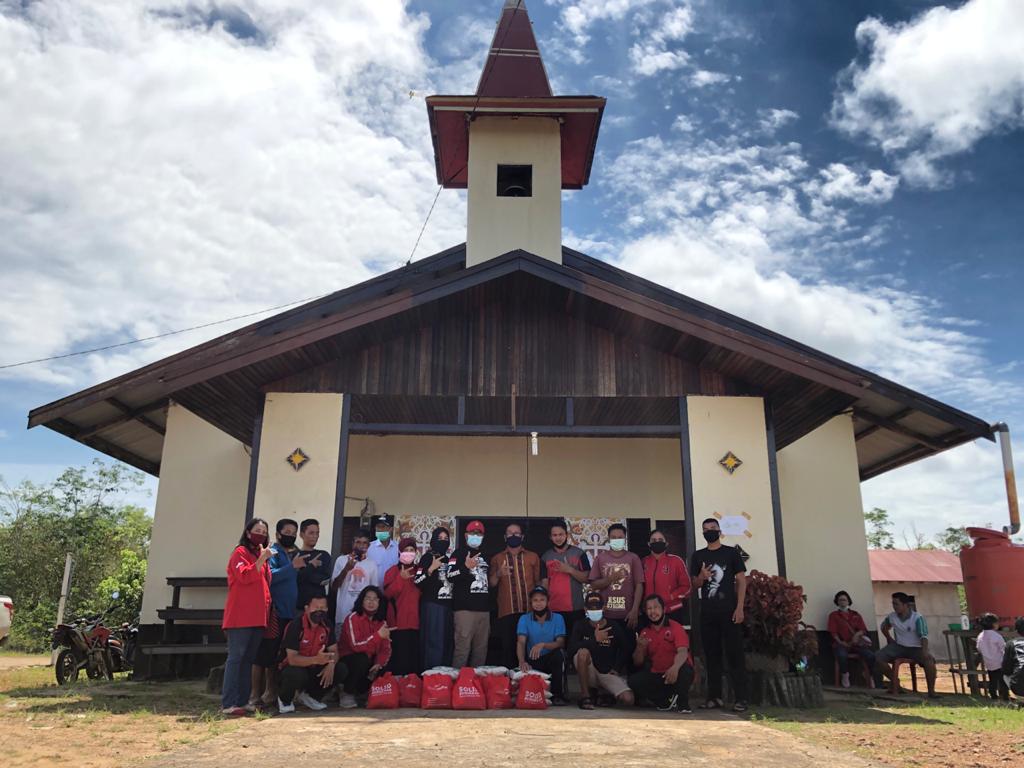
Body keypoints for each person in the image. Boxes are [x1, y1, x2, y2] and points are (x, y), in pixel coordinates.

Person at [690, 517, 748, 712]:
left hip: (729, 612)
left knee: (735, 655)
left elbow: (741, 580)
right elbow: (694, 585)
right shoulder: (698, 556)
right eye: (705, 529)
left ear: (720, 530)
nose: (709, 532)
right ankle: (714, 697)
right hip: (707, 613)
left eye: (712, 528)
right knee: (711, 657)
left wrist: (740, 607)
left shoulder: (731, 553)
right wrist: (702, 577)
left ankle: (741, 698)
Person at [221, 517, 273, 716]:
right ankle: (229, 702)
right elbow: (244, 576)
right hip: (240, 617)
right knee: (236, 659)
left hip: (259, 617)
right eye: (257, 530)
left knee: (248, 660)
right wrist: (262, 559)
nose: (261, 534)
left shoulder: (261, 555)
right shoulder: (240, 553)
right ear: (248, 532)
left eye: (264, 531)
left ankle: (242, 701)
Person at [251, 518, 300, 708]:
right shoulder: (272, 551)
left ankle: (271, 691)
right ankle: (255, 694)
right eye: (287, 531)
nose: (291, 535)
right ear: (279, 534)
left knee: (277, 654)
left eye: (294, 532)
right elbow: (270, 576)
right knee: (264, 654)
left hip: (289, 611)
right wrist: (292, 567)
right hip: (274, 611)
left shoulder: (292, 553)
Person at [628, 595, 695, 714]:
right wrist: (640, 647)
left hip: (677, 670)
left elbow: (683, 652)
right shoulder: (645, 632)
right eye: (649, 608)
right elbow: (638, 662)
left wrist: (675, 668)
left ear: (663, 609)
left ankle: (683, 703)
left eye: (656, 607)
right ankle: (664, 700)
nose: (653, 611)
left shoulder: (675, 627)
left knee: (685, 670)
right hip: (659, 674)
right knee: (634, 681)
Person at [569, 592, 635, 710]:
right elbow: (571, 649)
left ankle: (604, 694)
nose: (594, 610)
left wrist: (617, 668)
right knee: (582, 653)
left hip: (606, 673)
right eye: (591, 608)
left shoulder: (613, 626)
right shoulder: (580, 625)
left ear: (603, 608)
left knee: (628, 699)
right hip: (590, 672)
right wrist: (594, 640)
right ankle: (585, 696)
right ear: (586, 610)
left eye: (597, 607)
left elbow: (626, 648)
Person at [277, 593, 341, 714]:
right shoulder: (296, 625)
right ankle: (285, 699)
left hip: (314, 667)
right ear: (307, 608)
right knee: (294, 673)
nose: (319, 611)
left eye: (322, 608)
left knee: (340, 669)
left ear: (327, 609)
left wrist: (331, 664)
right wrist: (316, 659)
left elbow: (334, 651)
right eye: (316, 607)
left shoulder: (327, 625)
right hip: (292, 668)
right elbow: (292, 659)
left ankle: (310, 696)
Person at [490, 522, 541, 668]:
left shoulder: (533, 557)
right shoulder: (497, 558)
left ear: (522, 536)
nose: (513, 535)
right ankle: (509, 685)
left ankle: (529, 684)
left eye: (516, 533)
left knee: (530, 649)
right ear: (505, 537)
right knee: (508, 649)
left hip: (529, 612)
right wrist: (499, 573)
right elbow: (491, 584)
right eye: (510, 533)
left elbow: (539, 584)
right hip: (507, 612)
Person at [337, 585, 392, 708]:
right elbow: (356, 646)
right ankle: (347, 692)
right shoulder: (353, 618)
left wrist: (379, 663)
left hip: (369, 661)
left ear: (379, 602)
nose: (371, 602)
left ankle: (366, 693)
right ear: (361, 600)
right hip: (350, 660)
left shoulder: (382, 623)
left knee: (383, 665)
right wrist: (378, 635)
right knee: (361, 659)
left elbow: (385, 649)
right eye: (368, 598)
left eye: (375, 599)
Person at [875, 592, 938, 697]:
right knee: (878, 657)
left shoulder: (917, 618)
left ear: (905, 605)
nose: (894, 607)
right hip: (899, 646)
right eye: (893, 604)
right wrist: (889, 638)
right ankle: (895, 682)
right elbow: (884, 627)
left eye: (896, 604)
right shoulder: (892, 617)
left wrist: (925, 651)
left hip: (916, 648)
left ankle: (931, 691)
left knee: (929, 661)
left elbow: (923, 636)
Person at [448, 520, 491, 668]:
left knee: (481, 651)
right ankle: (458, 685)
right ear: (466, 535)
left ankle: (475, 686)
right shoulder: (458, 553)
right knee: (462, 650)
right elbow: (450, 575)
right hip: (464, 610)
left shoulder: (486, 555)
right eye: (473, 533)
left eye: (479, 533)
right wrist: (465, 567)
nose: (476, 536)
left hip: (484, 611)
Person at [540, 520, 591, 641]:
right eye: (555, 535)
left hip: (576, 609)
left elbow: (587, 578)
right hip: (554, 610)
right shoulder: (545, 557)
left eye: (561, 534)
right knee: (556, 644)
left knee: (575, 644)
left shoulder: (579, 553)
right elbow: (544, 583)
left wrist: (570, 570)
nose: (558, 538)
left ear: (566, 535)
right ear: (550, 537)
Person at [516, 585, 567, 704]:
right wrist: (522, 661)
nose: (538, 603)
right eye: (535, 600)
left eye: (542, 600)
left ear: (548, 601)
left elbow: (560, 642)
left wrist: (543, 645)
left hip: (550, 658)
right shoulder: (524, 618)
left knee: (559, 655)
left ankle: (558, 695)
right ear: (531, 602)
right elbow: (521, 641)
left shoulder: (558, 618)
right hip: (533, 659)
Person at [588, 524, 644, 629]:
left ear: (625, 539)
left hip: (629, 615)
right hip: (606, 615)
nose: (616, 540)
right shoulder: (600, 558)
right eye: (613, 537)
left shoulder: (633, 558)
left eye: (620, 537)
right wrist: (611, 579)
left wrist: (635, 610)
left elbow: (639, 585)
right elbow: (593, 585)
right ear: (609, 539)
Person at [415, 526, 455, 670]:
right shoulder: (427, 557)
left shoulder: (449, 560)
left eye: (446, 539)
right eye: (440, 538)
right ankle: (431, 677)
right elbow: (417, 581)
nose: (443, 541)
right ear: (433, 540)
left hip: (448, 607)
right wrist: (431, 569)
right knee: (433, 643)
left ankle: (443, 676)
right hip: (433, 606)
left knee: (446, 643)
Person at [383, 537, 421, 675]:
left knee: (413, 662)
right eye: (406, 550)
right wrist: (400, 579)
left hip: (416, 624)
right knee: (399, 662)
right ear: (400, 552)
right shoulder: (392, 571)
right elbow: (387, 594)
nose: (409, 553)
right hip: (398, 624)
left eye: (412, 550)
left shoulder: (419, 571)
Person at [330, 529, 378, 635]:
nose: (361, 545)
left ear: (368, 545)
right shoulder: (341, 560)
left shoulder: (372, 564)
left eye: (364, 543)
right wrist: (346, 569)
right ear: (352, 543)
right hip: (343, 616)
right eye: (358, 542)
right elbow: (334, 587)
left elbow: (374, 592)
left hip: (363, 616)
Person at [827, 590, 878, 688]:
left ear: (848, 601)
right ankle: (845, 675)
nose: (842, 602)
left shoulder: (855, 615)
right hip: (841, 643)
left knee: (871, 656)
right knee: (841, 655)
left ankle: (869, 675)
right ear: (837, 602)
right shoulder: (833, 615)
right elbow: (833, 632)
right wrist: (841, 642)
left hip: (856, 643)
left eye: (844, 600)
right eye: (840, 600)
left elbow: (863, 629)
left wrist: (857, 635)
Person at [642, 529, 690, 625]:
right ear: (648, 543)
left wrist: (670, 596)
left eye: (660, 540)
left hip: (672, 611)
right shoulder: (643, 562)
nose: (657, 542)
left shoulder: (676, 561)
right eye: (653, 540)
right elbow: (639, 587)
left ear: (666, 543)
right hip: (649, 613)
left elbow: (687, 587)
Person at [295, 518, 332, 611]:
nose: (315, 536)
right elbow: (295, 580)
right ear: (301, 534)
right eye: (311, 533)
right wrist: (311, 567)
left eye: (317, 533)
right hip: (299, 607)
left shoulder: (323, 555)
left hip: (319, 608)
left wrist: (304, 572)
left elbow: (325, 579)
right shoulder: (295, 556)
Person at [976, 613, 1009, 701]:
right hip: (999, 662)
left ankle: (993, 696)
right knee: (1003, 682)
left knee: (992, 681)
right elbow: (1003, 648)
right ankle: (1005, 697)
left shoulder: (980, 636)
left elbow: (978, 648)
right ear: (994, 624)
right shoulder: (996, 636)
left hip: (989, 663)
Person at [366, 513, 399, 587]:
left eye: (383, 527)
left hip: (392, 592)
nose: (380, 529)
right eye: (378, 527)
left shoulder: (398, 548)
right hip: (373, 593)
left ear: (391, 529)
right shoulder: (368, 547)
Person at [1001, 617, 1024, 697]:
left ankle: (1019, 698)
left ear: (1016, 630)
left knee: (1005, 675)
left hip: (1019, 688)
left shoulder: (1011, 643)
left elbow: (1006, 669)